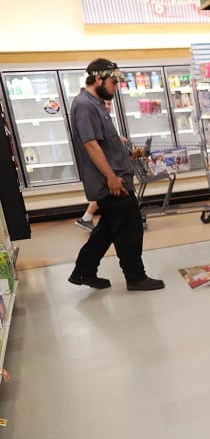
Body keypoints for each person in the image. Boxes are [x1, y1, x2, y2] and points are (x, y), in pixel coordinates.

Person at [67, 58, 164, 291]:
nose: (116, 87)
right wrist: (111, 176)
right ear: (98, 79)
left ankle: (84, 271)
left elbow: (103, 140)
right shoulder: (85, 105)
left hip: (114, 179)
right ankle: (135, 277)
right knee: (130, 229)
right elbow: (91, 144)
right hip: (111, 182)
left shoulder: (96, 103)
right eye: (113, 82)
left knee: (109, 229)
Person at [74, 99, 123, 231]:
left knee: (106, 197)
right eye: (104, 104)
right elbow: (94, 143)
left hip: (106, 165)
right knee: (106, 192)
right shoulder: (88, 112)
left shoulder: (104, 118)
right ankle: (86, 218)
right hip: (102, 165)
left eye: (109, 104)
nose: (107, 107)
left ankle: (87, 218)